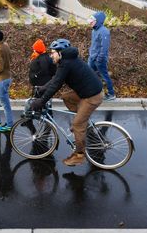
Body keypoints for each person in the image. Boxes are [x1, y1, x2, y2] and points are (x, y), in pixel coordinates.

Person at [30, 39, 104, 167]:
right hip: (87, 92)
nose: (51, 55)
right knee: (66, 97)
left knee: (77, 124)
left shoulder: (66, 64)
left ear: (60, 53)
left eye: (53, 52)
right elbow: (55, 80)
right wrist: (43, 88)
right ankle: (81, 121)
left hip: (92, 96)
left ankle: (79, 155)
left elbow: (55, 86)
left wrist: (42, 101)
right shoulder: (66, 61)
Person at [88, 11, 116, 101]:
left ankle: (111, 94)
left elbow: (104, 48)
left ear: (98, 21)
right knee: (92, 76)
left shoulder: (104, 32)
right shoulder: (94, 30)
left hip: (99, 60)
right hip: (92, 58)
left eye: (92, 20)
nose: (90, 22)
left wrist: (99, 59)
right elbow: (94, 44)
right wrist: (91, 55)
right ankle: (96, 93)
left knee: (104, 76)